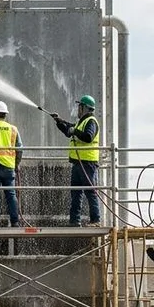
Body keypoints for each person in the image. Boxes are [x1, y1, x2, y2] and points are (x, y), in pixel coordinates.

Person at [50, 95, 101, 227]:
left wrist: (75, 131)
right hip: (78, 163)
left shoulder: (91, 121)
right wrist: (59, 121)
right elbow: (69, 130)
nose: (78, 109)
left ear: (85, 108)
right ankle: (74, 221)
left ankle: (95, 220)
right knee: (75, 192)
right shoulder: (81, 123)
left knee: (90, 191)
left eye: (80, 107)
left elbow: (88, 137)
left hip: (87, 163)